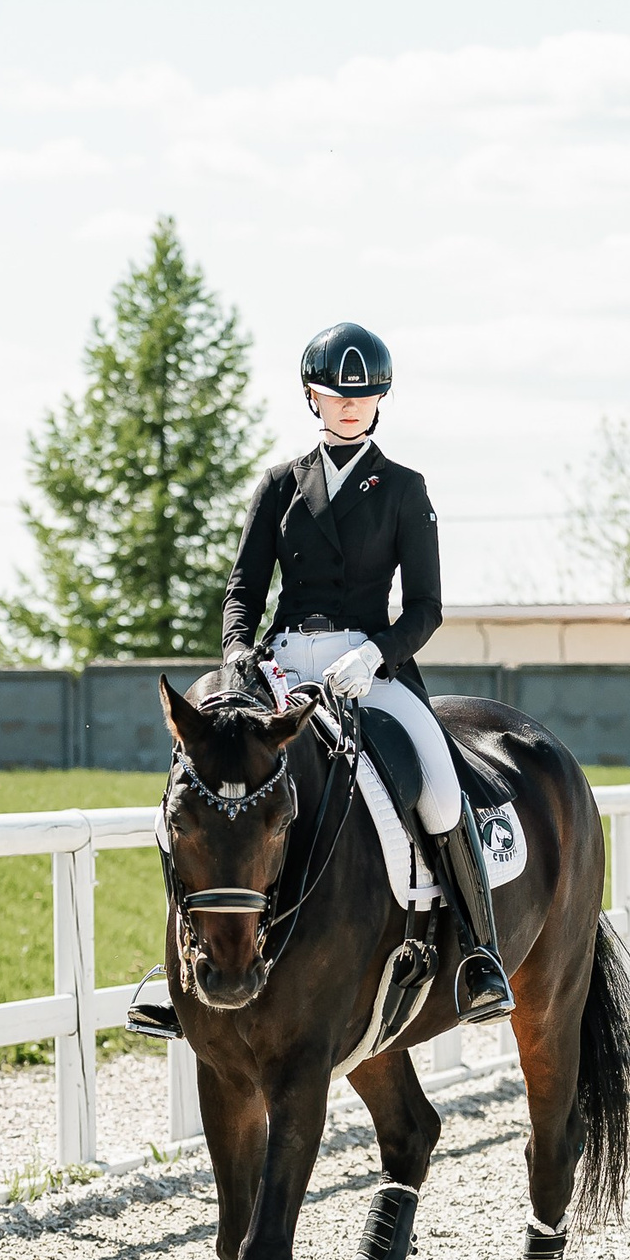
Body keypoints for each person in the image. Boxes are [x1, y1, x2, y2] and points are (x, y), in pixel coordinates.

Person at [218, 321, 511, 1022]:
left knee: (440, 789)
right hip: (283, 667)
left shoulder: (405, 489)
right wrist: (237, 653)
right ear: (312, 397)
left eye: (363, 393)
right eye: (334, 393)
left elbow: (428, 607)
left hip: (372, 669)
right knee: (203, 792)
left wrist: (376, 652)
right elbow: (242, 593)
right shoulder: (280, 485)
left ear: (380, 397)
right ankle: (178, 965)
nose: (349, 405)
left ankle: (479, 954)